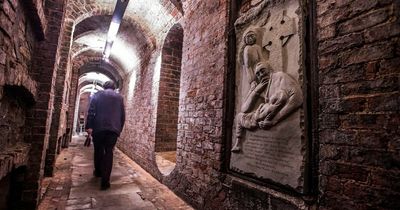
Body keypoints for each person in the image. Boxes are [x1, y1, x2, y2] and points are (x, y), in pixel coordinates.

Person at [231, 62, 303, 152]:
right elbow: (244, 109)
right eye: (257, 74)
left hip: (269, 115)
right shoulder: (265, 85)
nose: (261, 75)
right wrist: (256, 90)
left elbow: (298, 98)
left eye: (262, 71)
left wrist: (274, 120)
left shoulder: (280, 76)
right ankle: (238, 143)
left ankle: (238, 143)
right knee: (240, 116)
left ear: (270, 69)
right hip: (261, 114)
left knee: (280, 95)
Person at [86, 80, 125, 190]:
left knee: (98, 150)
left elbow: (91, 112)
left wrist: (89, 126)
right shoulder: (120, 98)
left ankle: (98, 172)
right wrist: (119, 129)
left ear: (104, 86)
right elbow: (122, 116)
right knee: (109, 152)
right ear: (114, 87)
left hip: (98, 128)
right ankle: (105, 181)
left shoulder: (97, 95)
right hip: (113, 130)